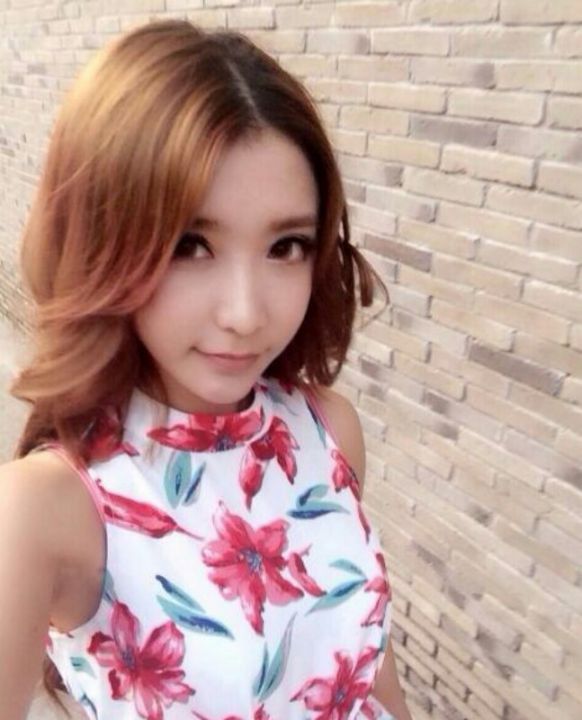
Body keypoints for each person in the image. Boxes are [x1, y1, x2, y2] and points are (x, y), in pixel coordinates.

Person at [0, 19, 413, 720]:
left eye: (286, 245)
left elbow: (367, 664)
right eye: (190, 244)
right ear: (99, 241)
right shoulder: (43, 508)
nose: (246, 314)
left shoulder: (327, 430)